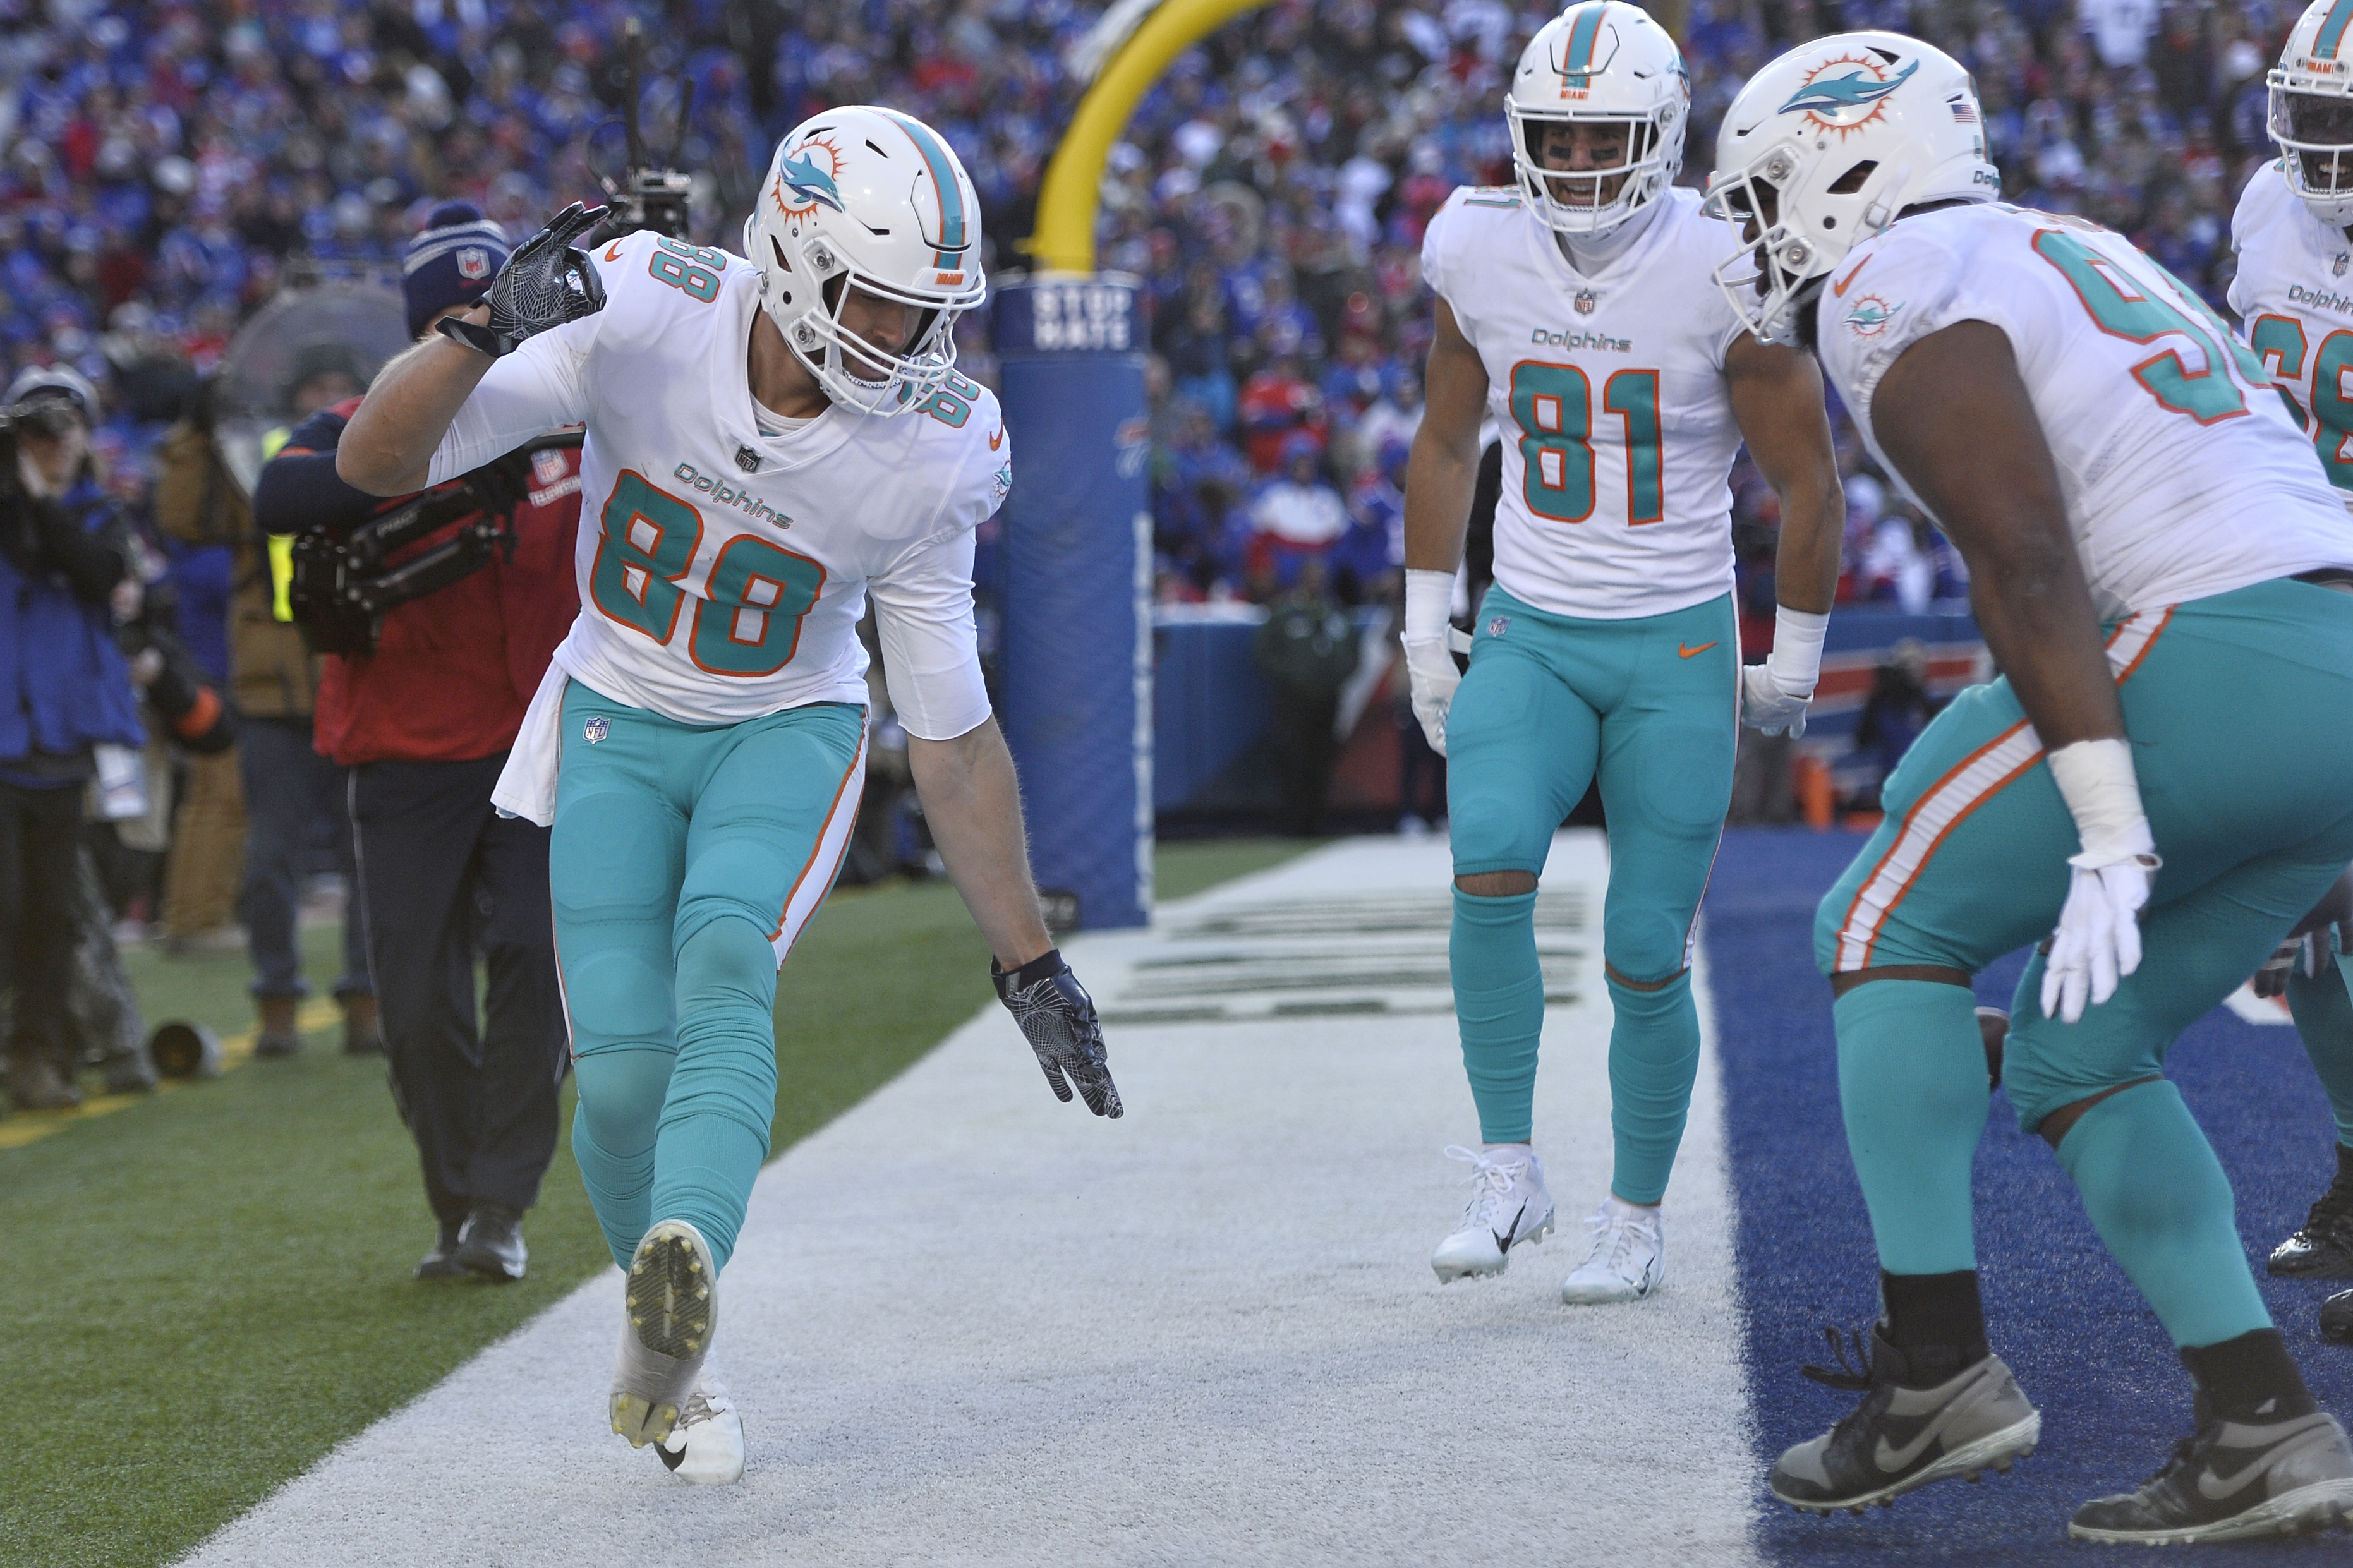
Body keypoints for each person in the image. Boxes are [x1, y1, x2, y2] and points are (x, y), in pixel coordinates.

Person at [336, 107, 1122, 1487]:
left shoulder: (937, 445)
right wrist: (477, 331)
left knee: (723, 958)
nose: (913, 343)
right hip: (616, 713)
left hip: (783, 725)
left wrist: (1029, 957)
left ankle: (686, 1252)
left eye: (934, 313)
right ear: (800, 259)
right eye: (886, 302)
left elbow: (944, 727)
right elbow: (375, 465)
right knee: (623, 1080)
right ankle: (674, 1368)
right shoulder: (650, 306)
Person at [1707, 30, 2353, 1542]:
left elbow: (2028, 557)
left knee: (1879, 925)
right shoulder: (2058, 241)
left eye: (1762, 191)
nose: (1749, 228)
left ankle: (1937, 1373)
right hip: (2326, 651)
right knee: (2077, 1045)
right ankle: (2264, 1419)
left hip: (2220, 637)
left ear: (1848, 165)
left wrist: (2114, 826)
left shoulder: (1897, 283)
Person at [1403, 2, 1844, 1303]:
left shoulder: (1724, 258)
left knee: (1644, 944)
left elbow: (1806, 480)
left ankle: (1634, 1216)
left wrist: (1794, 653)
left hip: (1672, 643)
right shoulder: (1475, 244)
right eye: (1556, 134)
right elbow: (1442, 442)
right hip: (1532, 626)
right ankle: (1505, 1169)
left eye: (1606, 134)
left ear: (1661, 135)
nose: (1579, 160)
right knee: (1485, 857)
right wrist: (1423, 625)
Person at [253, 203, 583, 1285]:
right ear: (416, 331)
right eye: (454, 318)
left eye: (499, 313)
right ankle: (455, 1198)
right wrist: (420, 464)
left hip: (538, 743)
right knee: (412, 1002)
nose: (483, 337)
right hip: (404, 748)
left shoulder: (565, 422)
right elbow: (278, 492)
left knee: (539, 961)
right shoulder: (362, 426)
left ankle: (499, 1203)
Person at [2225, 0, 2353, 1320]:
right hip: (2292, 581)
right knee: (2308, 920)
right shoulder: (2264, 206)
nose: (2323, 149)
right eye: (2312, 115)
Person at [153, 351, 377, 1058]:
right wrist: (195, 428)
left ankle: (364, 1001)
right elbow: (179, 515)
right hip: (275, 690)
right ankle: (276, 1000)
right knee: (272, 855)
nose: (331, 394)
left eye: (342, 384)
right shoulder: (249, 459)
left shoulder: (376, 445)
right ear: (293, 393)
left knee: (363, 856)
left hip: (355, 676)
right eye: (318, 384)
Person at [0, 367, 145, 1110]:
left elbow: (95, 576)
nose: (54, 443)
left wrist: (42, 495)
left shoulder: (95, 514)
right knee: (9, 902)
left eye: (67, 427)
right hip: (7, 738)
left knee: (51, 914)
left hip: (59, 743)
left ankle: (40, 1053)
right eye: (36, 430)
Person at [1251, 555, 1360, 836]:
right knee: (1294, 760)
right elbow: (1264, 652)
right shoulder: (1285, 614)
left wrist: (1336, 677)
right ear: (1302, 580)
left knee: (1321, 760)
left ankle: (1317, 822)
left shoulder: (1335, 613)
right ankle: (1292, 823)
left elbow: (1353, 653)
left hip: (1328, 699)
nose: (1317, 582)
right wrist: (1291, 677)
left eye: (1321, 577)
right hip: (1294, 701)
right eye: (1312, 577)